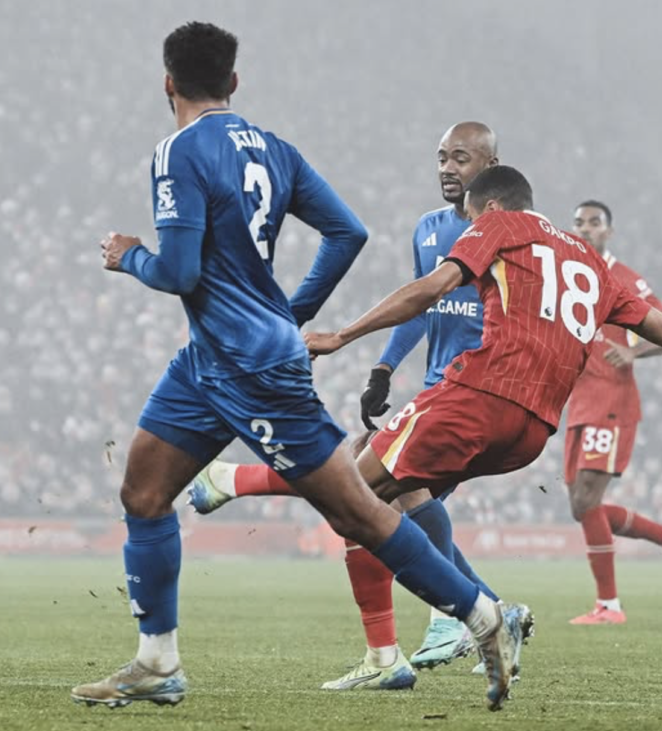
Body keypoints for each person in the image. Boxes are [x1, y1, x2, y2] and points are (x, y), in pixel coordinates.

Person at [70, 23, 530, 714]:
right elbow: (347, 231)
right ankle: (157, 659)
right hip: (212, 359)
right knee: (143, 491)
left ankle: (481, 613)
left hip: (252, 364)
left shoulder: (177, 152)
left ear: (168, 84)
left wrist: (128, 255)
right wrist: (293, 310)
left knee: (359, 513)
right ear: (233, 83)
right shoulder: (274, 149)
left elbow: (178, 269)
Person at [303, 164, 662, 662]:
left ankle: (470, 622)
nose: (470, 224)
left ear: (492, 208)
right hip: (533, 431)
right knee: (403, 500)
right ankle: (472, 619)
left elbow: (431, 288)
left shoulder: (499, 226)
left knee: (351, 493)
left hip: (480, 396)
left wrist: (341, 335)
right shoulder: (591, 262)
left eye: (473, 216)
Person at [187, 122, 504, 682]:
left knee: (363, 489)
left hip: (475, 395)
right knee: (378, 493)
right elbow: (420, 306)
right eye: (440, 158)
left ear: (491, 163)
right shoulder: (429, 229)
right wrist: (384, 367)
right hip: (436, 388)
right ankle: (463, 619)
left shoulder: (509, 234)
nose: (447, 169)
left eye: (461, 158)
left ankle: (462, 616)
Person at [565, 201, 662, 625]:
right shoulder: (568, 276)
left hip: (611, 402)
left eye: (595, 223)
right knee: (580, 505)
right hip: (577, 402)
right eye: (579, 223)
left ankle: (610, 606)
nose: (585, 230)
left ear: (609, 232)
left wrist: (633, 349)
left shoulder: (623, 279)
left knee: (586, 499)